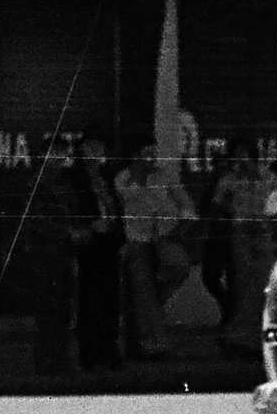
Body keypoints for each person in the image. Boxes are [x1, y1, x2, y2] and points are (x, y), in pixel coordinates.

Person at [21, 138, 95, 381]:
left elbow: (71, 213)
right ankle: (45, 363)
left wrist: (78, 232)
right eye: (57, 154)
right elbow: (37, 221)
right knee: (47, 311)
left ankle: (61, 361)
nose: (62, 159)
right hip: (43, 256)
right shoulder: (36, 184)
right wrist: (67, 232)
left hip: (63, 255)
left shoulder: (63, 184)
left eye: (63, 154)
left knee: (64, 310)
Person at [117, 142, 189, 361]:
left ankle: (153, 320)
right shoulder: (123, 178)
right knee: (143, 289)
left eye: (154, 153)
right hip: (138, 240)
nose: (152, 158)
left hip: (165, 239)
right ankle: (155, 343)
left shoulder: (164, 177)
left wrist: (178, 228)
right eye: (147, 153)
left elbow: (185, 204)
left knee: (178, 269)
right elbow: (128, 197)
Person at [216, 139, 277, 355]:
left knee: (265, 286)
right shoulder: (229, 180)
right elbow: (218, 204)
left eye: (243, 155)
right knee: (243, 283)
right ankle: (242, 338)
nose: (240, 160)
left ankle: (265, 340)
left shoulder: (269, 178)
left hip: (263, 232)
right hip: (241, 233)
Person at [75, 141, 125, 373]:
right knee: (90, 299)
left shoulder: (106, 180)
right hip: (90, 243)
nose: (96, 156)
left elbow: (115, 208)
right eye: (91, 150)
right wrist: (89, 225)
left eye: (99, 150)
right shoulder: (76, 181)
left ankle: (109, 349)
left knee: (110, 298)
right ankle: (90, 352)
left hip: (108, 242)